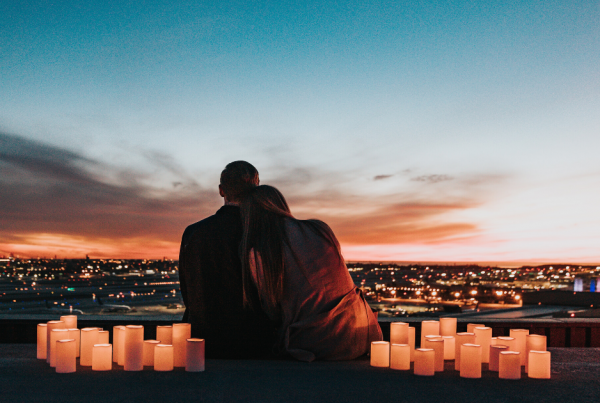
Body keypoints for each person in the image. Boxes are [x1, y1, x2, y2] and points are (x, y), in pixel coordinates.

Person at [239, 185, 383, 362]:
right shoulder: (319, 229)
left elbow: (272, 311)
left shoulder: (260, 253)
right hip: (364, 334)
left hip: (317, 344)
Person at [178, 161, 276, 358]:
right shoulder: (266, 232)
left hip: (203, 341)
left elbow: (189, 293)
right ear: (256, 189)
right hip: (254, 343)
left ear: (221, 190)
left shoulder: (193, 233)